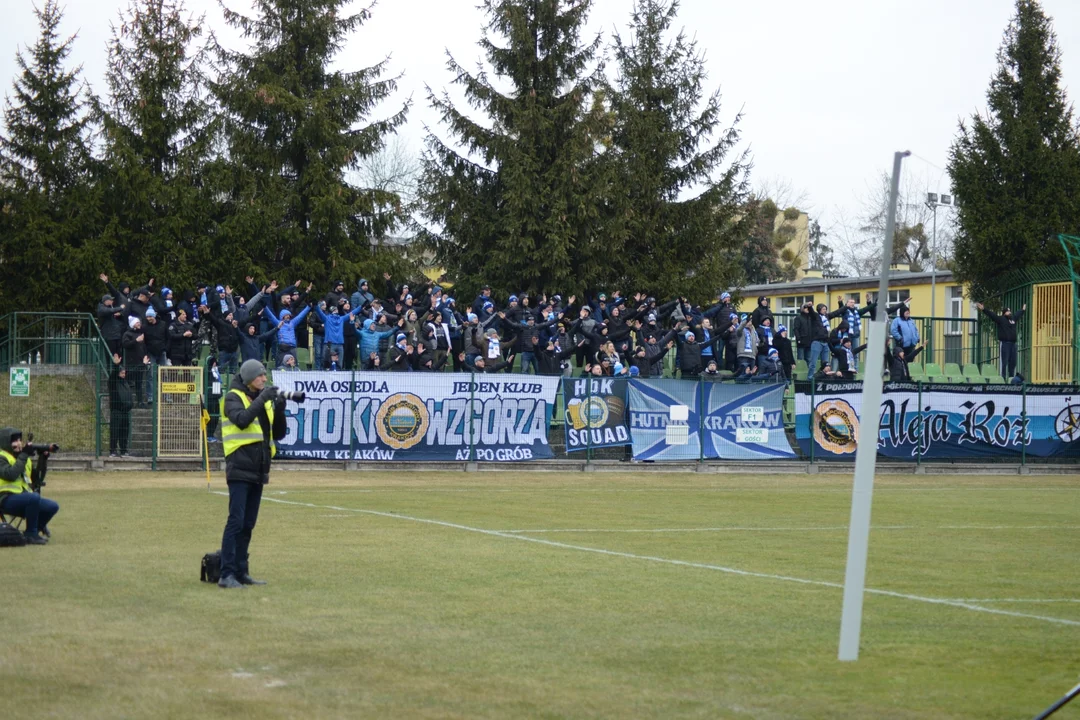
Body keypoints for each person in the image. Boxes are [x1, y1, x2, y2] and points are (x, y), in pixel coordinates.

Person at [218, 359, 286, 589]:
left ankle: (241, 571)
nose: (264, 379)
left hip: (258, 470)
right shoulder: (232, 398)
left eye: (265, 376)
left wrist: (280, 409)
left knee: (248, 524)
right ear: (249, 377)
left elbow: (278, 433)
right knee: (235, 522)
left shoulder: (261, 399)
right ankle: (226, 574)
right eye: (260, 376)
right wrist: (263, 399)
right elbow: (242, 420)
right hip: (239, 467)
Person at [0, 427, 59, 544]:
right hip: (5, 499)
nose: (18, 443)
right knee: (33, 498)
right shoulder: (2, 457)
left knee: (52, 506)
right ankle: (31, 534)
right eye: (14, 440)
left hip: (24, 498)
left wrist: (43, 459)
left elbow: (37, 479)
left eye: (19, 440)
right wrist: (24, 455)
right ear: (6, 442)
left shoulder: (24, 458)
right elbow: (10, 474)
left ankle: (36, 528)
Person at [975, 302, 1026, 379]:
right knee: (1004, 362)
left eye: (1010, 311)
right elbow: (992, 315)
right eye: (1008, 311)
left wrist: (1022, 310)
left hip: (1013, 344)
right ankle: (1003, 378)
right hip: (1005, 344)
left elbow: (1017, 314)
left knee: (1013, 362)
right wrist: (984, 309)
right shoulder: (1001, 319)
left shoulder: (1013, 319)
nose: (1010, 313)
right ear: (1004, 313)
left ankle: (1011, 379)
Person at [108, 354, 134, 457]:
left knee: (124, 432)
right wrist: (116, 364)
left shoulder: (125, 382)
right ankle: (113, 450)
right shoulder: (113, 382)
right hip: (116, 410)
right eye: (122, 373)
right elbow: (114, 374)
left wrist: (143, 365)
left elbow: (134, 371)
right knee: (115, 431)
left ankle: (124, 450)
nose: (124, 374)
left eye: (124, 373)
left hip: (125, 411)